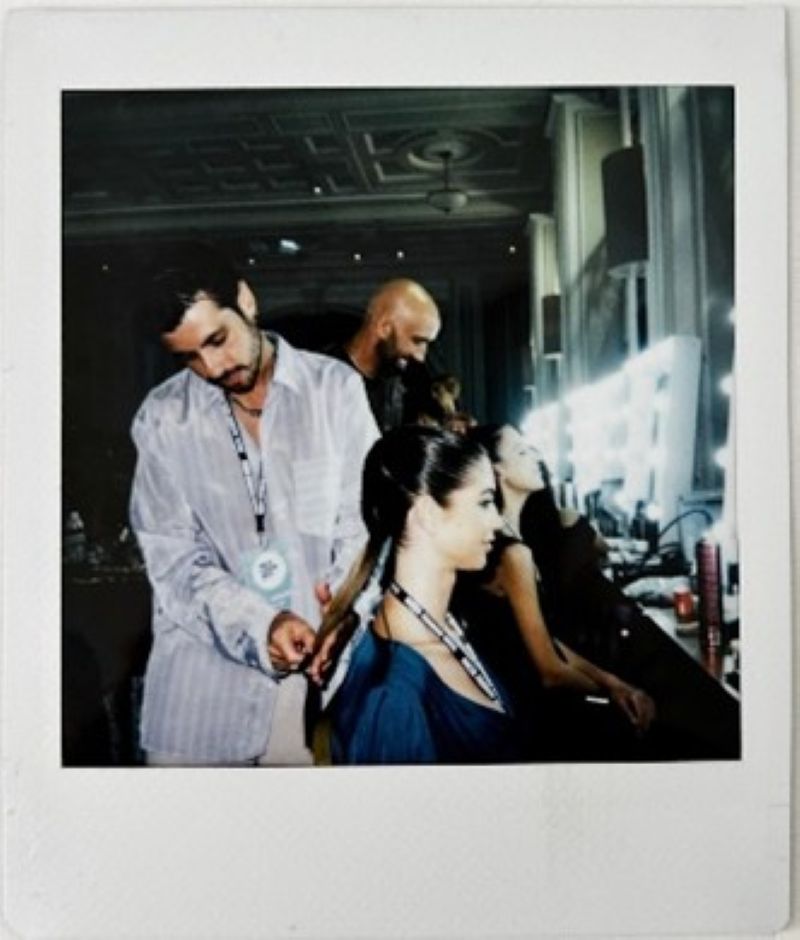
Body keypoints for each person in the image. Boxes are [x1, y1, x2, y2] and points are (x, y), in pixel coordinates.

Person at [129, 242, 379, 766]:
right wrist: (259, 625)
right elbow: (173, 560)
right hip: (198, 699)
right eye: (189, 357)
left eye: (217, 340)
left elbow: (365, 527)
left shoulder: (335, 391)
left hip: (313, 686)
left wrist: (344, 616)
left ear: (245, 299)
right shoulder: (162, 418)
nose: (211, 367)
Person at [312, 427, 522, 764]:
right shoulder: (393, 698)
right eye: (484, 502)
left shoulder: (449, 626)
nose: (498, 521)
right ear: (427, 514)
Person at [455, 424, 656, 761]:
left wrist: (613, 683)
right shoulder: (513, 554)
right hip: (527, 713)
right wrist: (617, 694)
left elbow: (547, 642)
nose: (536, 456)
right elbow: (550, 671)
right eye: (521, 451)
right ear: (496, 470)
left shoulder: (512, 542)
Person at [328, 279, 441, 431]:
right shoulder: (322, 380)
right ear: (384, 328)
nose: (420, 357)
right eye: (417, 341)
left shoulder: (398, 386)